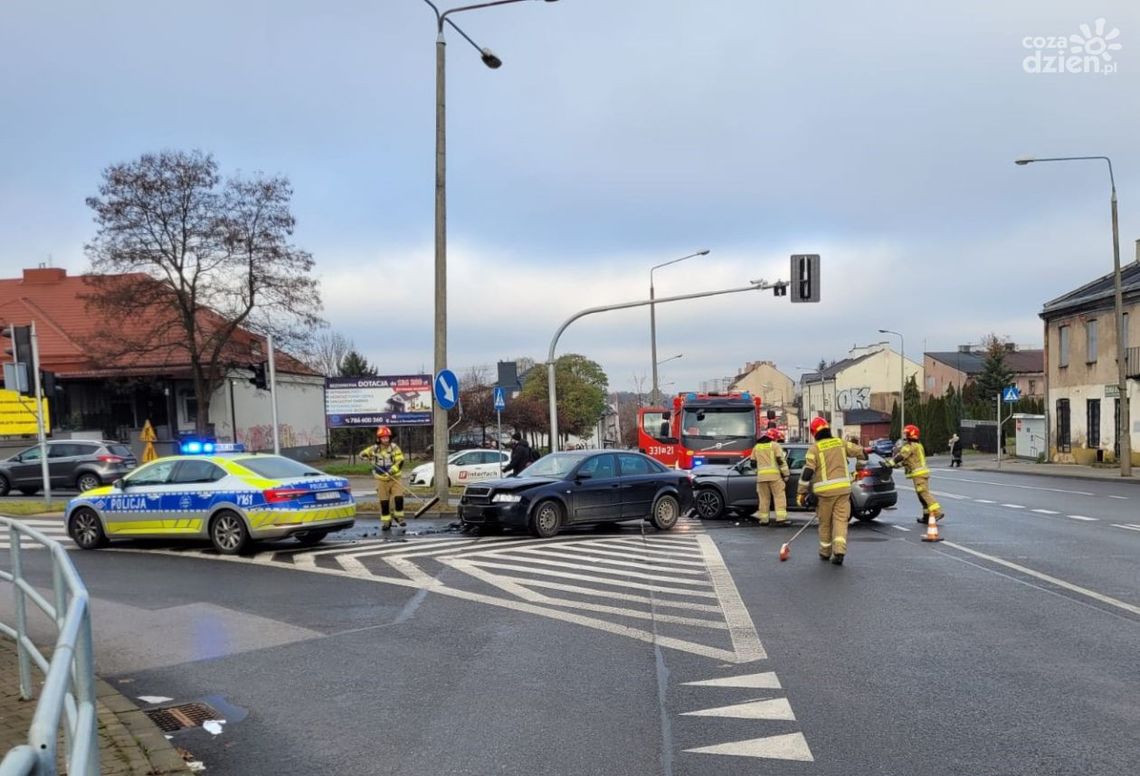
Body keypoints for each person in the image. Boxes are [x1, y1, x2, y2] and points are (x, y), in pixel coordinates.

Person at [796, 417, 866, 565]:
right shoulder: (841, 443)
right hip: (843, 490)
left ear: (814, 432)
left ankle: (825, 552)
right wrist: (859, 468)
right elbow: (863, 453)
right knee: (841, 521)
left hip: (825, 493)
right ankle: (839, 551)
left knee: (825, 523)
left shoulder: (814, 449)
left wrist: (801, 492)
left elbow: (807, 472)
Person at [886, 424, 944, 523]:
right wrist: (893, 465)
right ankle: (926, 516)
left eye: (905, 433)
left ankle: (937, 512)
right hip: (921, 474)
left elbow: (901, 456)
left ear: (911, 434)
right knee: (921, 496)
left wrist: (890, 463)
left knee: (924, 494)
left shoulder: (910, 446)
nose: (904, 436)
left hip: (919, 474)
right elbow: (907, 461)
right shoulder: (918, 445)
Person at [360, 426, 406, 537]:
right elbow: (362, 454)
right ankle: (386, 522)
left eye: (387, 437)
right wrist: (364, 457)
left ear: (390, 438)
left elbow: (400, 461)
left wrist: (391, 470)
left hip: (395, 478)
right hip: (381, 479)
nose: (385, 439)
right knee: (384, 502)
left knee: (399, 498)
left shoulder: (394, 448)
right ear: (379, 438)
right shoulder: (374, 449)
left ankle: (398, 517)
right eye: (383, 438)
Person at [750, 427, 790, 526]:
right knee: (779, 498)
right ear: (774, 438)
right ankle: (781, 519)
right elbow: (781, 461)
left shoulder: (757, 447)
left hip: (761, 478)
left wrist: (758, 472)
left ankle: (764, 520)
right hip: (774, 477)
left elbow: (752, 463)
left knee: (763, 499)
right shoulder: (775, 446)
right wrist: (786, 474)